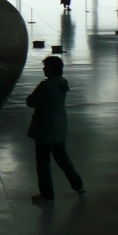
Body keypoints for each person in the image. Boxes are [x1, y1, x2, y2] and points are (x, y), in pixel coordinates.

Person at [26, 56, 85, 205]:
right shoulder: (62, 83)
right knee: (62, 158)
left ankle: (47, 194)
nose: (44, 69)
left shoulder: (45, 86)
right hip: (59, 127)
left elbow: (30, 102)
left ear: (52, 69)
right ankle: (78, 185)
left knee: (43, 162)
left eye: (46, 67)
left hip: (44, 129)